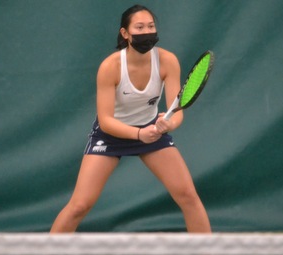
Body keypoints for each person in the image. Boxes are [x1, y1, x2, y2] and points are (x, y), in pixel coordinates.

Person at [50, 4, 211, 233]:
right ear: (125, 33)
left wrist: (167, 125)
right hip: (111, 134)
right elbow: (105, 121)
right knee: (79, 206)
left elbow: (177, 113)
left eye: (151, 26)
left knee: (188, 196)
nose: (147, 32)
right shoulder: (110, 67)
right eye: (139, 27)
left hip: (151, 130)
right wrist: (138, 134)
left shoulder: (167, 61)